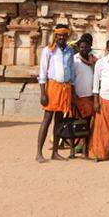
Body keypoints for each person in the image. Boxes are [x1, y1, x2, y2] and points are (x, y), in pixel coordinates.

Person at [36, 24, 75, 163]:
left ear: (67, 36)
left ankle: (55, 152)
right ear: (55, 35)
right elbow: (42, 72)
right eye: (59, 35)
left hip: (66, 88)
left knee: (59, 122)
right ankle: (39, 153)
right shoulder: (48, 50)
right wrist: (43, 93)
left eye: (64, 35)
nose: (61, 37)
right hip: (52, 87)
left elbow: (72, 71)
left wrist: (73, 92)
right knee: (47, 120)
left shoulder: (70, 51)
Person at [70, 33, 97, 159]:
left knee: (87, 125)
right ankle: (72, 150)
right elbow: (71, 79)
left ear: (90, 47)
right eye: (82, 47)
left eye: (86, 47)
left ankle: (86, 150)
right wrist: (73, 96)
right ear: (78, 48)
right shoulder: (74, 60)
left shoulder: (94, 60)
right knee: (75, 124)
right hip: (78, 96)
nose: (84, 49)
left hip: (90, 96)